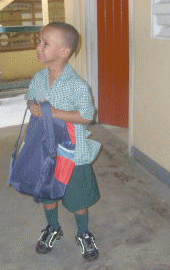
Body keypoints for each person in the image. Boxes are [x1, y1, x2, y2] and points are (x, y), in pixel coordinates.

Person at [25, 22, 101, 262]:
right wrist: (32, 107)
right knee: (47, 193)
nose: (38, 46)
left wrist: (51, 112)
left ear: (64, 51)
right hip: (44, 151)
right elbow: (29, 100)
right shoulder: (38, 77)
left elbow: (87, 117)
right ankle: (53, 228)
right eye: (39, 41)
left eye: (45, 43)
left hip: (72, 153)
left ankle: (83, 232)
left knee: (77, 197)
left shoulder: (77, 85)